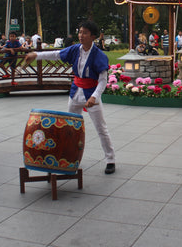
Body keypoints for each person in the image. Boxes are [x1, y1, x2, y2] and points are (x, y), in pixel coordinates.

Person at [23, 20, 116, 174]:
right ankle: (70, 158)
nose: (81, 35)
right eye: (80, 32)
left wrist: (94, 97)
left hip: (91, 95)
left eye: (85, 33)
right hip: (75, 93)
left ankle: (110, 159)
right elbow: (55, 54)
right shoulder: (74, 50)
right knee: (70, 128)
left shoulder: (99, 55)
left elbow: (103, 80)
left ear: (93, 36)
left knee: (101, 128)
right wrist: (35, 55)